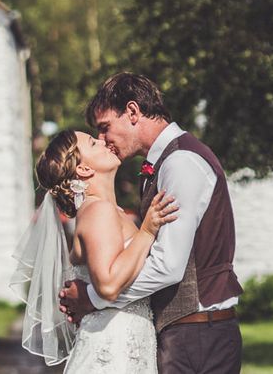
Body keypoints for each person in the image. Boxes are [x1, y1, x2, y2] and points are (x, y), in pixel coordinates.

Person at [59, 72, 244, 374]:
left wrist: (94, 298)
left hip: (196, 337)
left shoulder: (180, 162)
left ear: (132, 112)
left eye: (105, 128)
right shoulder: (161, 165)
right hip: (185, 335)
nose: (104, 141)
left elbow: (167, 266)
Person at [11, 127, 178, 372]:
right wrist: (147, 232)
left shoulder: (109, 211)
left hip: (128, 346)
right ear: (84, 169)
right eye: (92, 142)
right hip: (112, 351)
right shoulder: (97, 211)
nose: (102, 141)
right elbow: (108, 285)